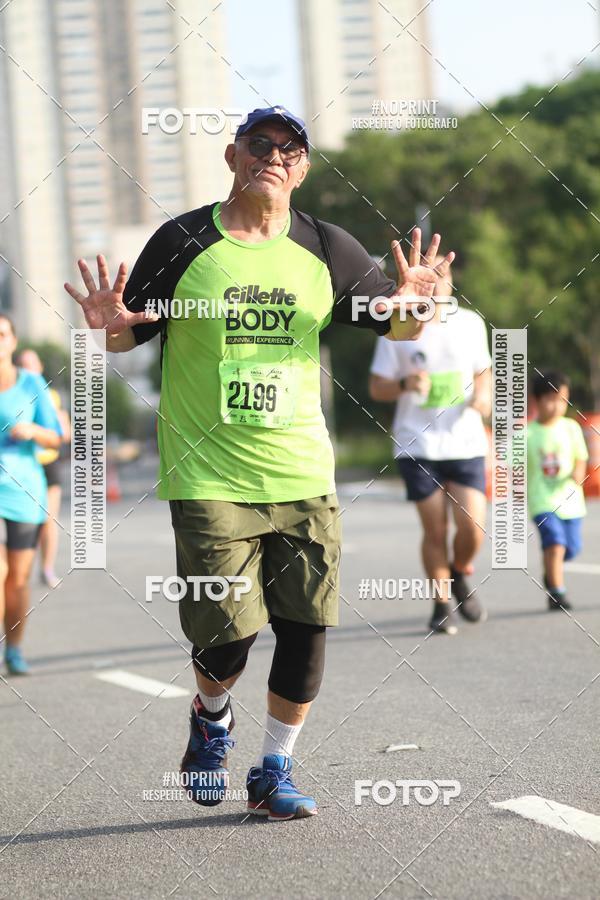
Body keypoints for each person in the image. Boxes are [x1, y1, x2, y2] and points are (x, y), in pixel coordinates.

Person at [65, 106, 454, 820]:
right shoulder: (181, 241)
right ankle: (212, 717)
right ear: (233, 155)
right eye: (260, 144)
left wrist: (418, 307)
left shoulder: (328, 247)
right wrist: (111, 331)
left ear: (303, 167)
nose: (274, 155)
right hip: (208, 473)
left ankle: (274, 767)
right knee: (227, 631)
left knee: (306, 625)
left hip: (302, 469)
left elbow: (390, 321)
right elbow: (131, 336)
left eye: (289, 148)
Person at [369, 258, 491, 635]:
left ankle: (458, 573)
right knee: (434, 529)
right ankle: (440, 604)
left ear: (451, 284)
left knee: (472, 527)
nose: (436, 285)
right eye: (429, 277)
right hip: (417, 443)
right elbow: (377, 387)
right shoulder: (399, 324)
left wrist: (483, 399)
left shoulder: (470, 323)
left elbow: (483, 371)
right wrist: (406, 385)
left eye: (443, 277)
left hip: (465, 440)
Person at [0, 318, 62, 674]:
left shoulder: (31, 383)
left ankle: (15, 648)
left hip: (23, 489)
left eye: (2, 335)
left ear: (13, 341)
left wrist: (34, 430)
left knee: (18, 580)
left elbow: (55, 437)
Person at [528, 371, 588, 611]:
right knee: (555, 542)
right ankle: (557, 593)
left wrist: (578, 473)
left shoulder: (571, 428)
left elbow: (581, 457)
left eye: (563, 400)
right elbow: (513, 466)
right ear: (537, 401)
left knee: (570, 548)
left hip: (571, 501)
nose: (557, 406)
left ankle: (550, 572)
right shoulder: (527, 434)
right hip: (542, 501)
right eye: (551, 399)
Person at [16, 349, 71, 589]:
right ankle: (19, 571)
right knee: (24, 520)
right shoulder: (12, 394)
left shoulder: (52, 397)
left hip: (48, 462)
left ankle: (47, 569)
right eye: (24, 365)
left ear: (40, 368)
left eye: (32, 365)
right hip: (21, 465)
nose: (29, 369)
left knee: (49, 519)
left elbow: (64, 434)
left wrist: (42, 431)